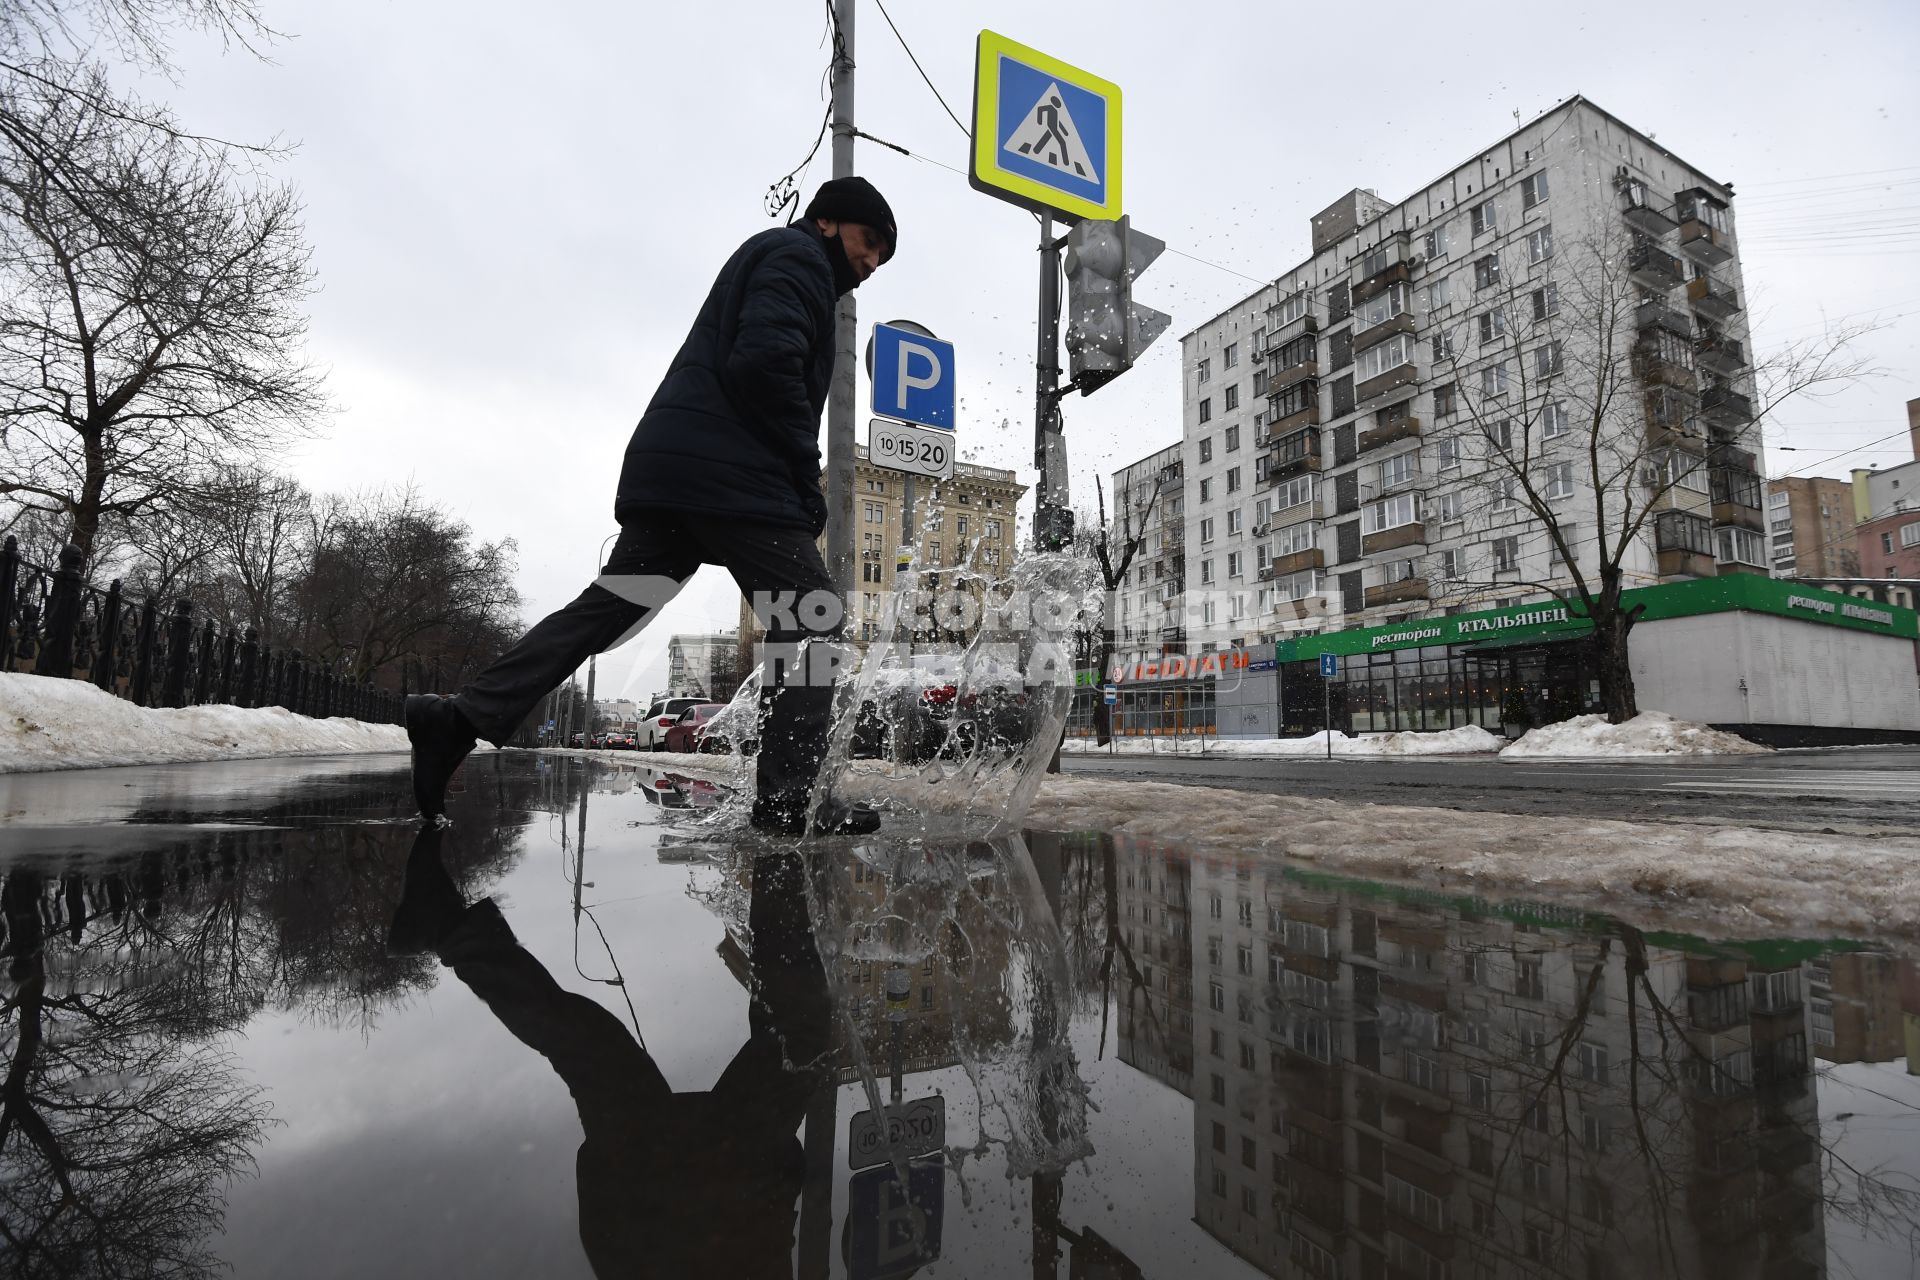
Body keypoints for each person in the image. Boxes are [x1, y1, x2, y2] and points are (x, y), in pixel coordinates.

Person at [404, 177, 896, 835]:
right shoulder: (798, 258)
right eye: (868, 244)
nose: (868, 265)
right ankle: (789, 799)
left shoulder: (787, 260)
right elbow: (766, 364)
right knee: (811, 621)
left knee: (606, 610)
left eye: (881, 260)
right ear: (830, 223)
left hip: (683, 477)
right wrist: (806, 482)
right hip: (729, 477)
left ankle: (457, 720)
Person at [387, 826, 832, 1277]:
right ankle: (785, 845)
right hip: (653, 1214)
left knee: (795, 1034)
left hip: (691, 1211)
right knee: (593, 1051)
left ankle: (785, 842)